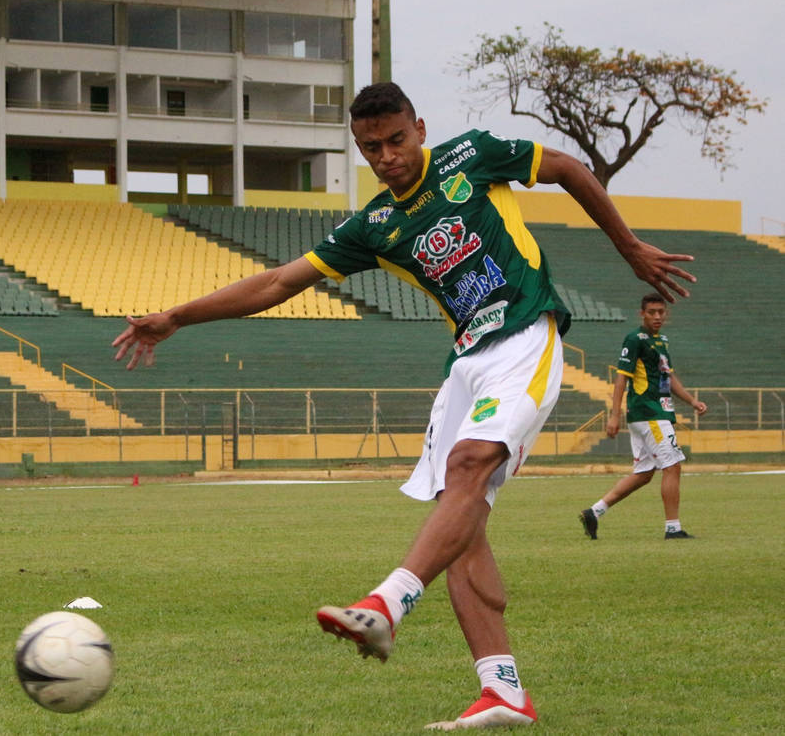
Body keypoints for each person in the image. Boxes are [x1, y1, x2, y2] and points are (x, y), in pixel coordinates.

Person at [112, 82, 697, 730]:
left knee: (470, 465)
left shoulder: (469, 157)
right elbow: (279, 281)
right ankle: (502, 690)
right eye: (371, 148)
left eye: (396, 139)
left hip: (527, 336)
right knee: (461, 519)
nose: (387, 155)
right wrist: (176, 317)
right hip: (467, 363)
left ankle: (387, 604)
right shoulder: (374, 226)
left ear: (419, 128)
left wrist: (628, 244)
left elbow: (562, 168)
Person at [580, 293, 707, 541]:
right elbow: (621, 378)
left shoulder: (662, 341)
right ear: (642, 314)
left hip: (653, 413)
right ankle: (673, 528)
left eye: (661, 311)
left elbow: (668, 376)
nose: (657, 316)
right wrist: (614, 416)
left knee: (644, 474)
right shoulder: (635, 339)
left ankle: (594, 512)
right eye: (652, 312)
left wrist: (691, 401)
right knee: (672, 466)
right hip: (649, 413)